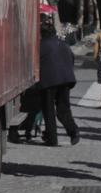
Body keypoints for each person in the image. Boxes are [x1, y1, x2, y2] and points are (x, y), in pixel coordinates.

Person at [15, 17, 79, 147]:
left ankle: (52, 138)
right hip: (66, 80)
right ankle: (74, 132)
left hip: (49, 82)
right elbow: (71, 59)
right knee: (64, 109)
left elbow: (32, 65)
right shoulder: (64, 44)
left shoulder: (40, 46)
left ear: (41, 34)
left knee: (48, 110)